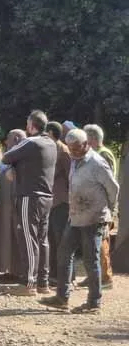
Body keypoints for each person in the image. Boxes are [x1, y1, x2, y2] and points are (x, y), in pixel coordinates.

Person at [40, 129, 119, 314]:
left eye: (76, 148)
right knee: (64, 253)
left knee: (91, 260)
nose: (73, 152)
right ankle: (62, 297)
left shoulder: (97, 163)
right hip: (75, 216)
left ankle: (94, 302)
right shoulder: (74, 160)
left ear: (86, 144)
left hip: (94, 217)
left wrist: (110, 213)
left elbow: (113, 189)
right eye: (70, 148)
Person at [2, 110, 57, 296]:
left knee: (28, 239)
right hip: (47, 197)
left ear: (31, 125)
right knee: (42, 240)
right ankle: (43, 282)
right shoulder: (52, 143)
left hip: (29, 196)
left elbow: (7, 157)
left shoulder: (30, 142)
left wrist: (16, 163)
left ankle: (28, 283)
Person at [83, 124, 116, 289]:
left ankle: (106, 278)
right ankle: (94, 276)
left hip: (103, 206)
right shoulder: (96, 153)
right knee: (92, 244)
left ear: (93, 139)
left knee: (102, 242)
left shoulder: (103, 154)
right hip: (93, 205)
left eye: (86, 138)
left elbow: (109, 183)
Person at [0, 129, 26, 277]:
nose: (6, 142)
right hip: (7, 204)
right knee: (8, 237)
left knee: (18, 237)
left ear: (17, 139)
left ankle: (21, 271)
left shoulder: (22, 157)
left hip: (17, 203)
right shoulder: (9, 157)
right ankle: (12, 269)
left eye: (8, 138)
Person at [46, 122, 71, 286]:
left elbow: (71, 176)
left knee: (62, 240)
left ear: (50, 133)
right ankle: (54, 274)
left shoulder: (63, 150)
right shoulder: (51, 148)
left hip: (61, 202)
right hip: (51, 201)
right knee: (52, 240)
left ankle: (67, 277)